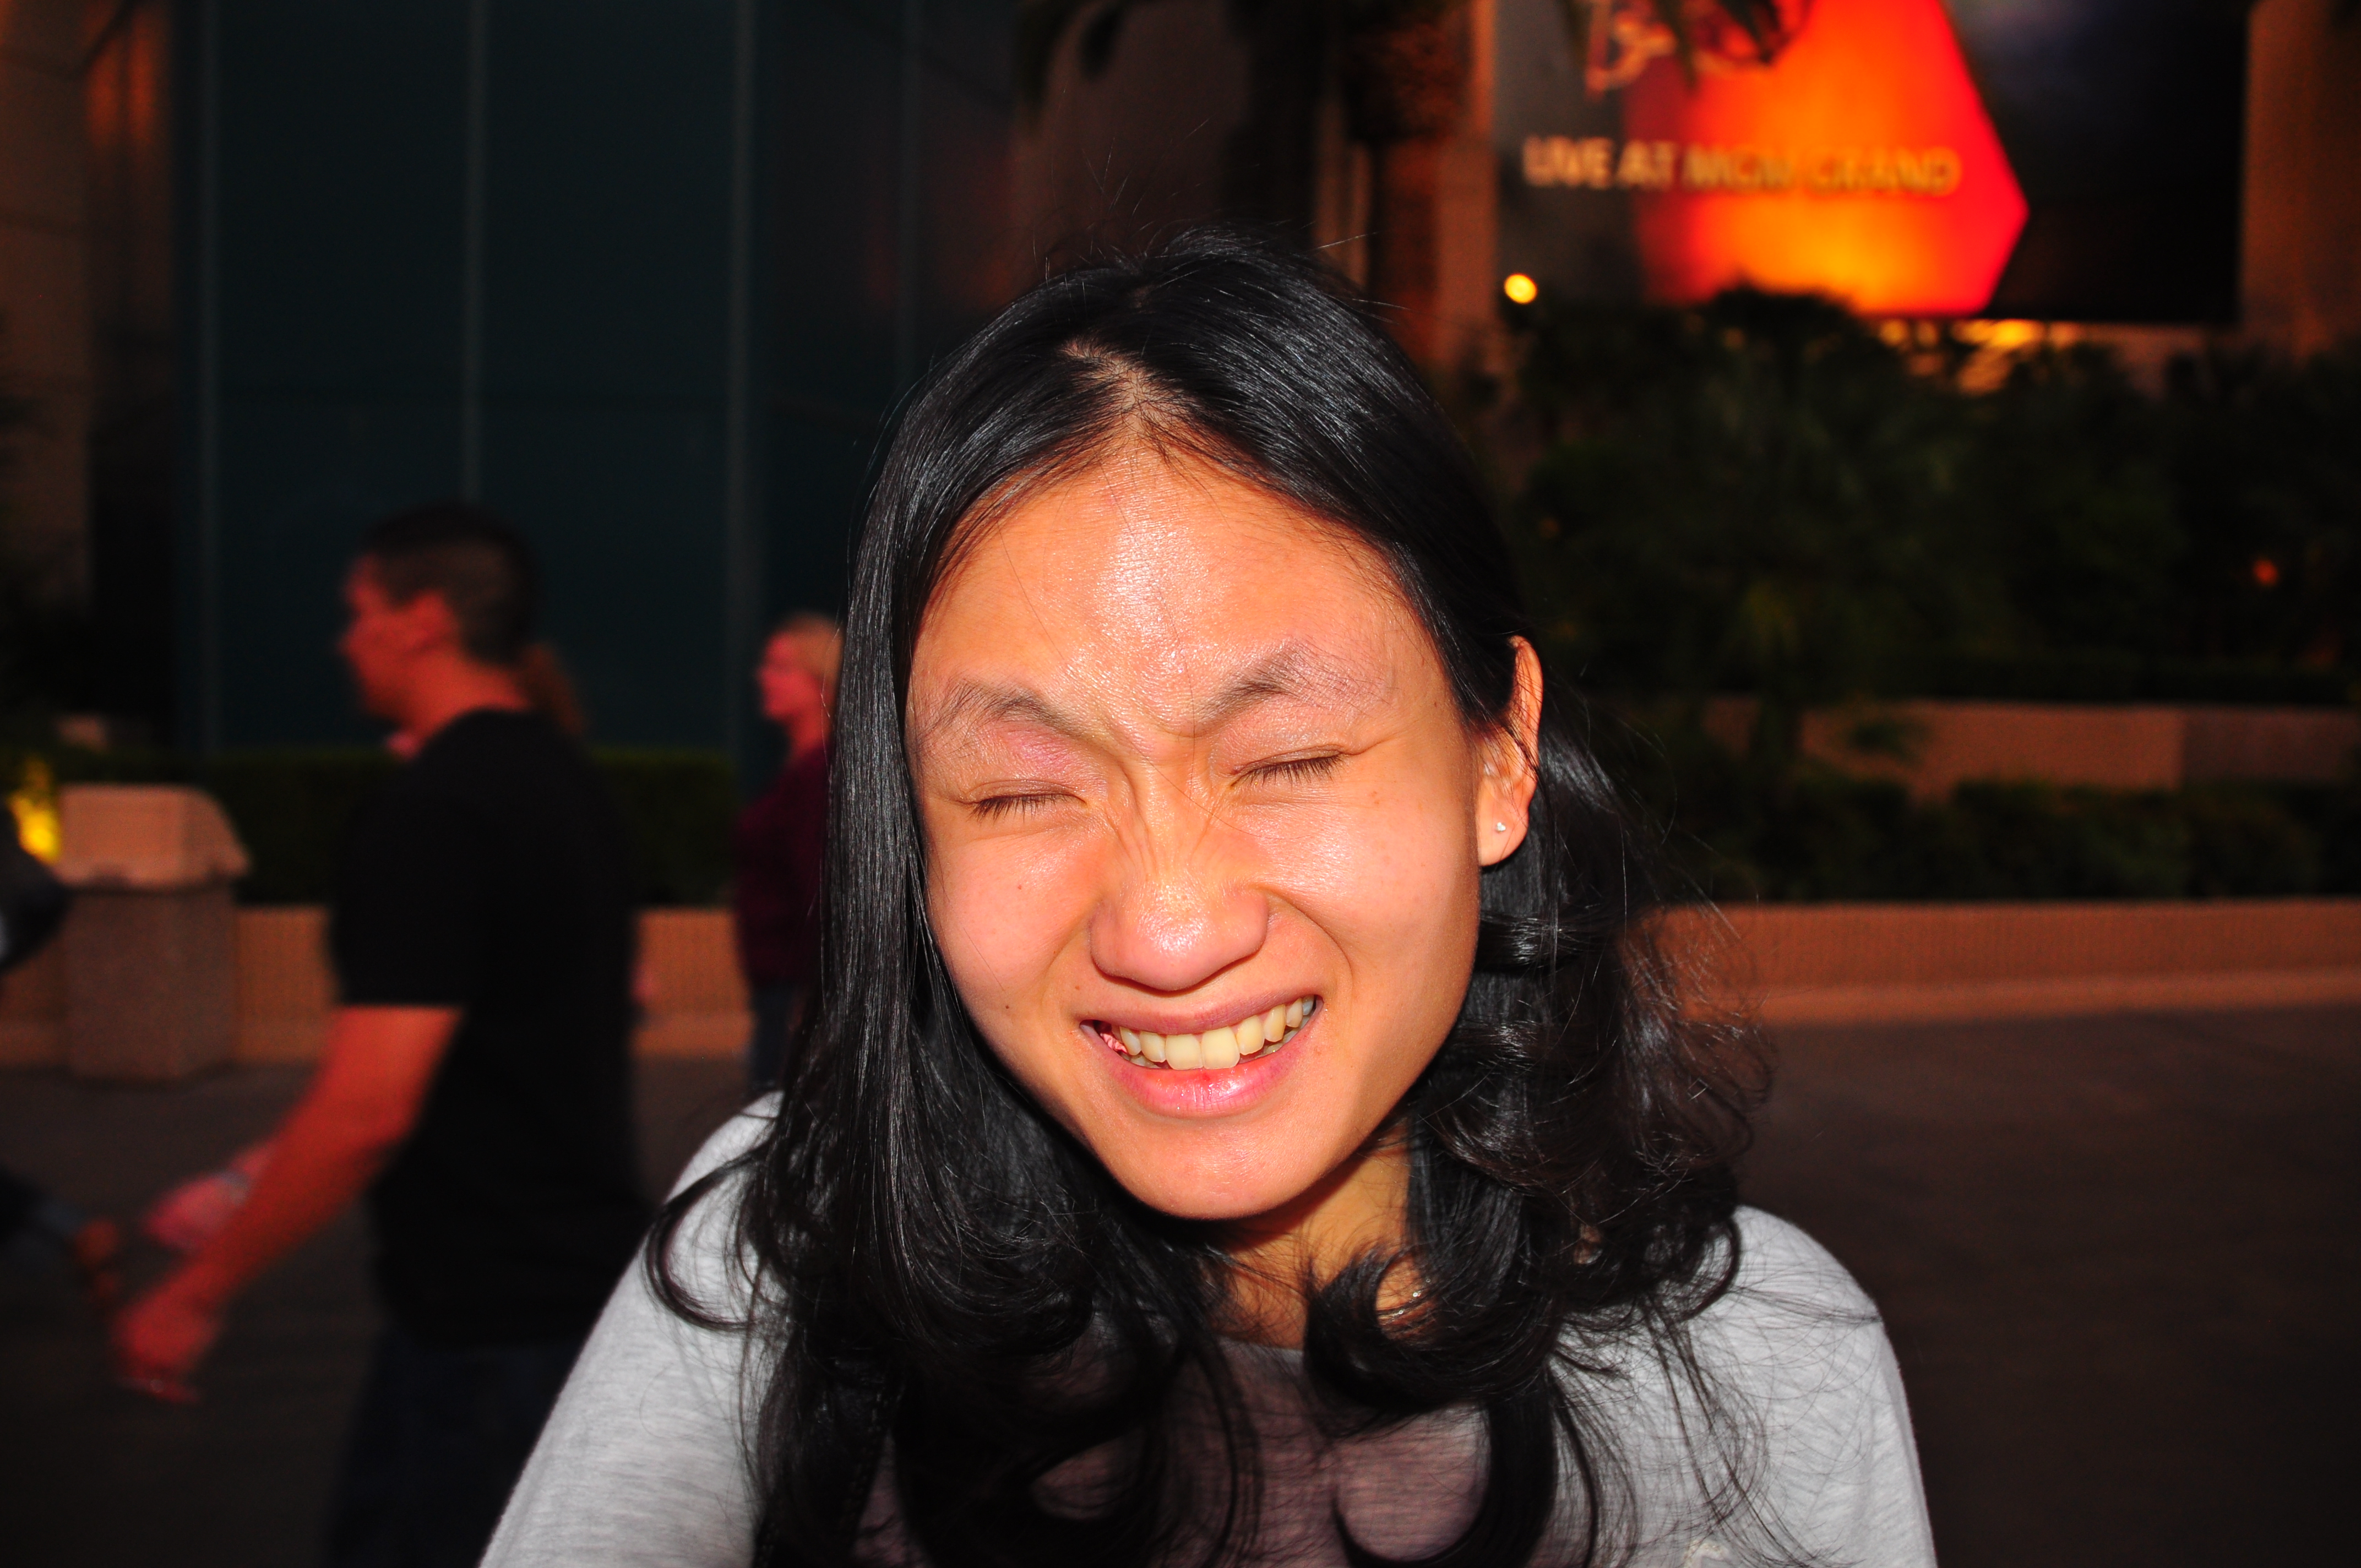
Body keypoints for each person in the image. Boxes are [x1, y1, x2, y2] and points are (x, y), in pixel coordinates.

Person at [482, 234, 1936, 1567]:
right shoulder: (784, 1253)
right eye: (1021, 791)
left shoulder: (1760, 1370)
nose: (1168, 931)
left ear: (1498, 756)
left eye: (1286, 761)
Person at [113, 502, 648, 1568]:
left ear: (423, 620)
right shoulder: (565, 783)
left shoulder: (435, 810)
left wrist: (194, 1291)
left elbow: (371, 1106)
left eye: (358, 612)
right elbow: (490, 1049)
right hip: (564, 1297)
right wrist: (250, 1175)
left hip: (483, 1326)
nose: (343, 640)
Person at [733, 613, 840, 1094]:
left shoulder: (819, 776)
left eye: (780, 667)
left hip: (796, 995)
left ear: (820, 683)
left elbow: (822, 892)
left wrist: (813, 997)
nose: (764, 677)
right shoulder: (803, 771)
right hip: (782, 992)